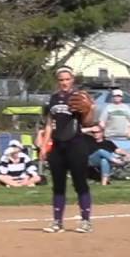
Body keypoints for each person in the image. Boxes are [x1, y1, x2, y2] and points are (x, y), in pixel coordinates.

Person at [42, 66, 96, 233]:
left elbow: (87, 123)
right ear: (58, 81)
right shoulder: (52, 99)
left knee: (80, 183)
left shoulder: (79, 97)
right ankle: (57, 222)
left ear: (72, 80)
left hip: (76, 143)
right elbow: (49, 124)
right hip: (57, 145)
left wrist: (89, 109)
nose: (64, 82)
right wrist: (44, 145)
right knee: (58, 185)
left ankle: (86, 221)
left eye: (67, 79)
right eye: (61, 80)